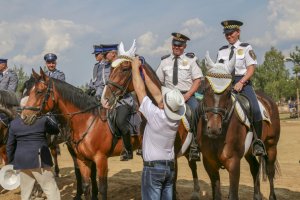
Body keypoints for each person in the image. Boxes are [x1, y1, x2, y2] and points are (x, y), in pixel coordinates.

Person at [131, 56, 185, 200]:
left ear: (164, 105)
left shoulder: (155, 115)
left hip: (153, 170)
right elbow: (156, 94)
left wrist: (135, 68)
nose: (161, 99)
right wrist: (144, 70)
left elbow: (139, 89)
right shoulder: (175, 119)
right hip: (169, 169)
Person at [216, 20, 265, 156]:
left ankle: (258, 142)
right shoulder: (222, 51)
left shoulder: (246, 47)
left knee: (255, 110)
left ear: (238, 32)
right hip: (225, 83)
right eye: (226, 34)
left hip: (242, 83)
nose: (228, 36)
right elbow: (217, 69)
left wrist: (241, 82)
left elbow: (251, 69)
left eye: (231, 33)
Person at [156, 32, 203, 161]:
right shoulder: (164, 61)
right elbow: (158, 80)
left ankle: (195, 145)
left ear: (185, 46)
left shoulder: (191, 60)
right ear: (172, 45)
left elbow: (197, 80)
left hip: (187, 94)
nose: (177, 47)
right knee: (153, 112)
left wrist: (188, 95)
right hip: (169, 95)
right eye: (175, 45)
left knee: (196, 112)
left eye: (180, 45)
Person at [6, 98, 61, 200]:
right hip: (39, 161)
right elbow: (55, 130)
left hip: (22, 162)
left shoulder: (14, 124)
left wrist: (12, 162)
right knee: (51, 190)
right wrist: (47, 115)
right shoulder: (42, 120)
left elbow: (10, 145)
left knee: (26, 193)